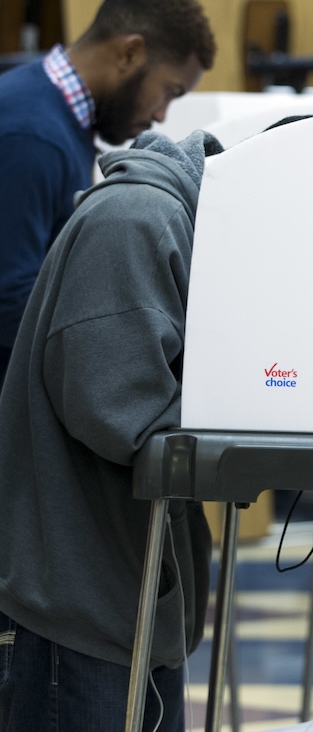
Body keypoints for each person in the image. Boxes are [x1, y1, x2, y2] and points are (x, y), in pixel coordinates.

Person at [0, 126, 225, 731]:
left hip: (126, 587)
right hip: (82, 610)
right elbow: (116, 409)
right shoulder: (139, 222)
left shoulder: (170, 220)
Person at [0, 0, 215, 386]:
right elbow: (8, 298)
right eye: (168, 91)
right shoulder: (32, 136)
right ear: (130, 52)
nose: (161, 116)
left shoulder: (47, 112)